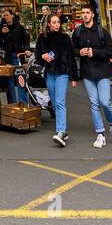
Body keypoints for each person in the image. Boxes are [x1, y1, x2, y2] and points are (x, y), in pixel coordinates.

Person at [70, 6, 112, 148]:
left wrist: (95, 52)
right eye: (83, 13)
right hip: (87, 73)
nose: (85, 15)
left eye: (87, 13)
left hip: (103, 71)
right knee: (94, 103)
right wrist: (80, 52)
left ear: (92, 15)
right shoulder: (77, 33)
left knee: (105, 101)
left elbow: (110, 51)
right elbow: (72, 50)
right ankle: (100, 134)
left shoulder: (101, 32)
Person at [35, 12, 74, 146]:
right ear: (49, 24)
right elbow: (37, 55)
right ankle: (63, 130)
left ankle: (61, 131)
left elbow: (72, 57)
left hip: (62, 72)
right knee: (55, 102)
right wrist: (43, 56)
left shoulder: (65, 38)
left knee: (60, 101)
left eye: (58, 22)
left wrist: (74, 76)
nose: (57, 25)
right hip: (49, 73)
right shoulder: (42, 37)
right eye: (54, 22)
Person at [0, 10, 31, 104]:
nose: (6, 17)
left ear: (12, 16)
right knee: (9, 80)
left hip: (18, 56)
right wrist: (2, 32)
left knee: (20, 78)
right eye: (4, 15)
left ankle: (23, 103)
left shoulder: (19, 27)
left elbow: (25, 40)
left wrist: (27, 49)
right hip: (7, 56)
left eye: (7, 15)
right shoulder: (1, 27)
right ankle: (13, 104)